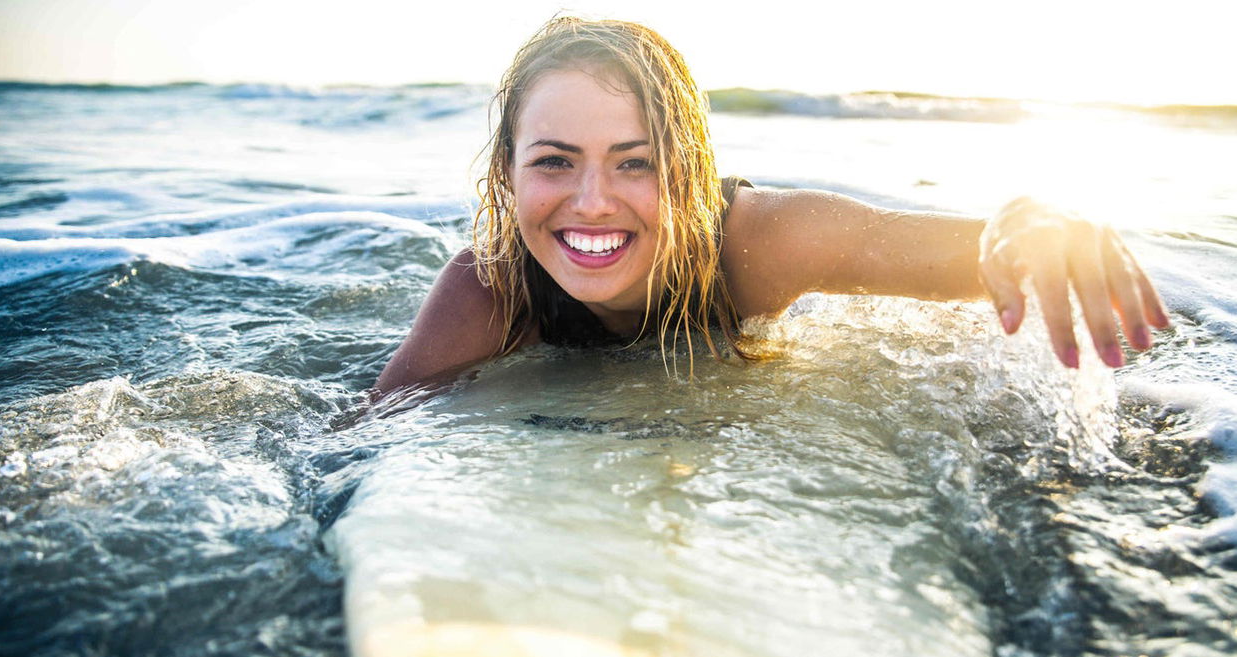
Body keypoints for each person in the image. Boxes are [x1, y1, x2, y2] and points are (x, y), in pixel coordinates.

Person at [372, 17, 1170, 399]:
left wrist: (1037, 229)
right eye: (554, 162)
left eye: (636, 163)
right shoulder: (490, 289)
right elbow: (366, 436)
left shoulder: (763, 243)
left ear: (690, 173)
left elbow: (986, 255)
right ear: (506, 177)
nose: (593, 202)